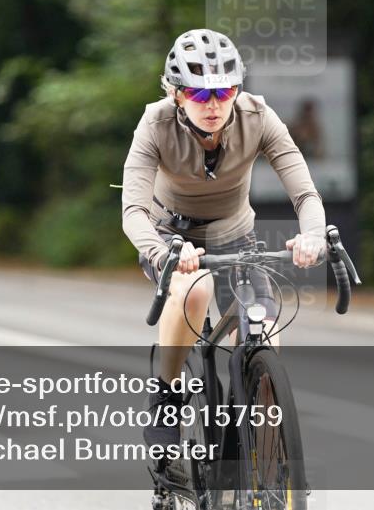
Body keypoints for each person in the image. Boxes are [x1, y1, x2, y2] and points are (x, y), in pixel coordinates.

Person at [121, 29, 326, 449]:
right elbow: (134, 212)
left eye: (224, 91)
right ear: (177, 95)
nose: (212, 104)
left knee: (264, 332)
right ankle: (167, 395)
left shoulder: (259, 117)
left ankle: (255, 436)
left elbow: (305, 193)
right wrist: (162, 255)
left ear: (237, 89)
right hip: (171, 238)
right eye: (198, 95)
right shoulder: (155, 124)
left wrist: (313, 235)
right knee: (195, 290)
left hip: (236, 236)